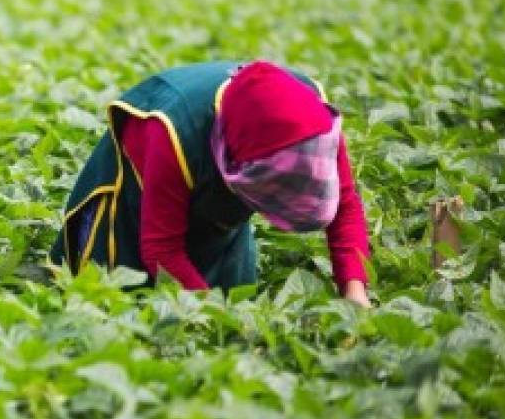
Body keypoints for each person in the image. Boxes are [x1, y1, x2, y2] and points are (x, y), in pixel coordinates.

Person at [51, 61, 372, 306]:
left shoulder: (312, 117)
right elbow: (162, 249)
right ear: (241, 168)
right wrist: (216, 317)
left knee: (233, 291)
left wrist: (355, 291)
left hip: (220, 204)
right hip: (134, 200)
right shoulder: (171, 130)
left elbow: (344, 204)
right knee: (124, 302)